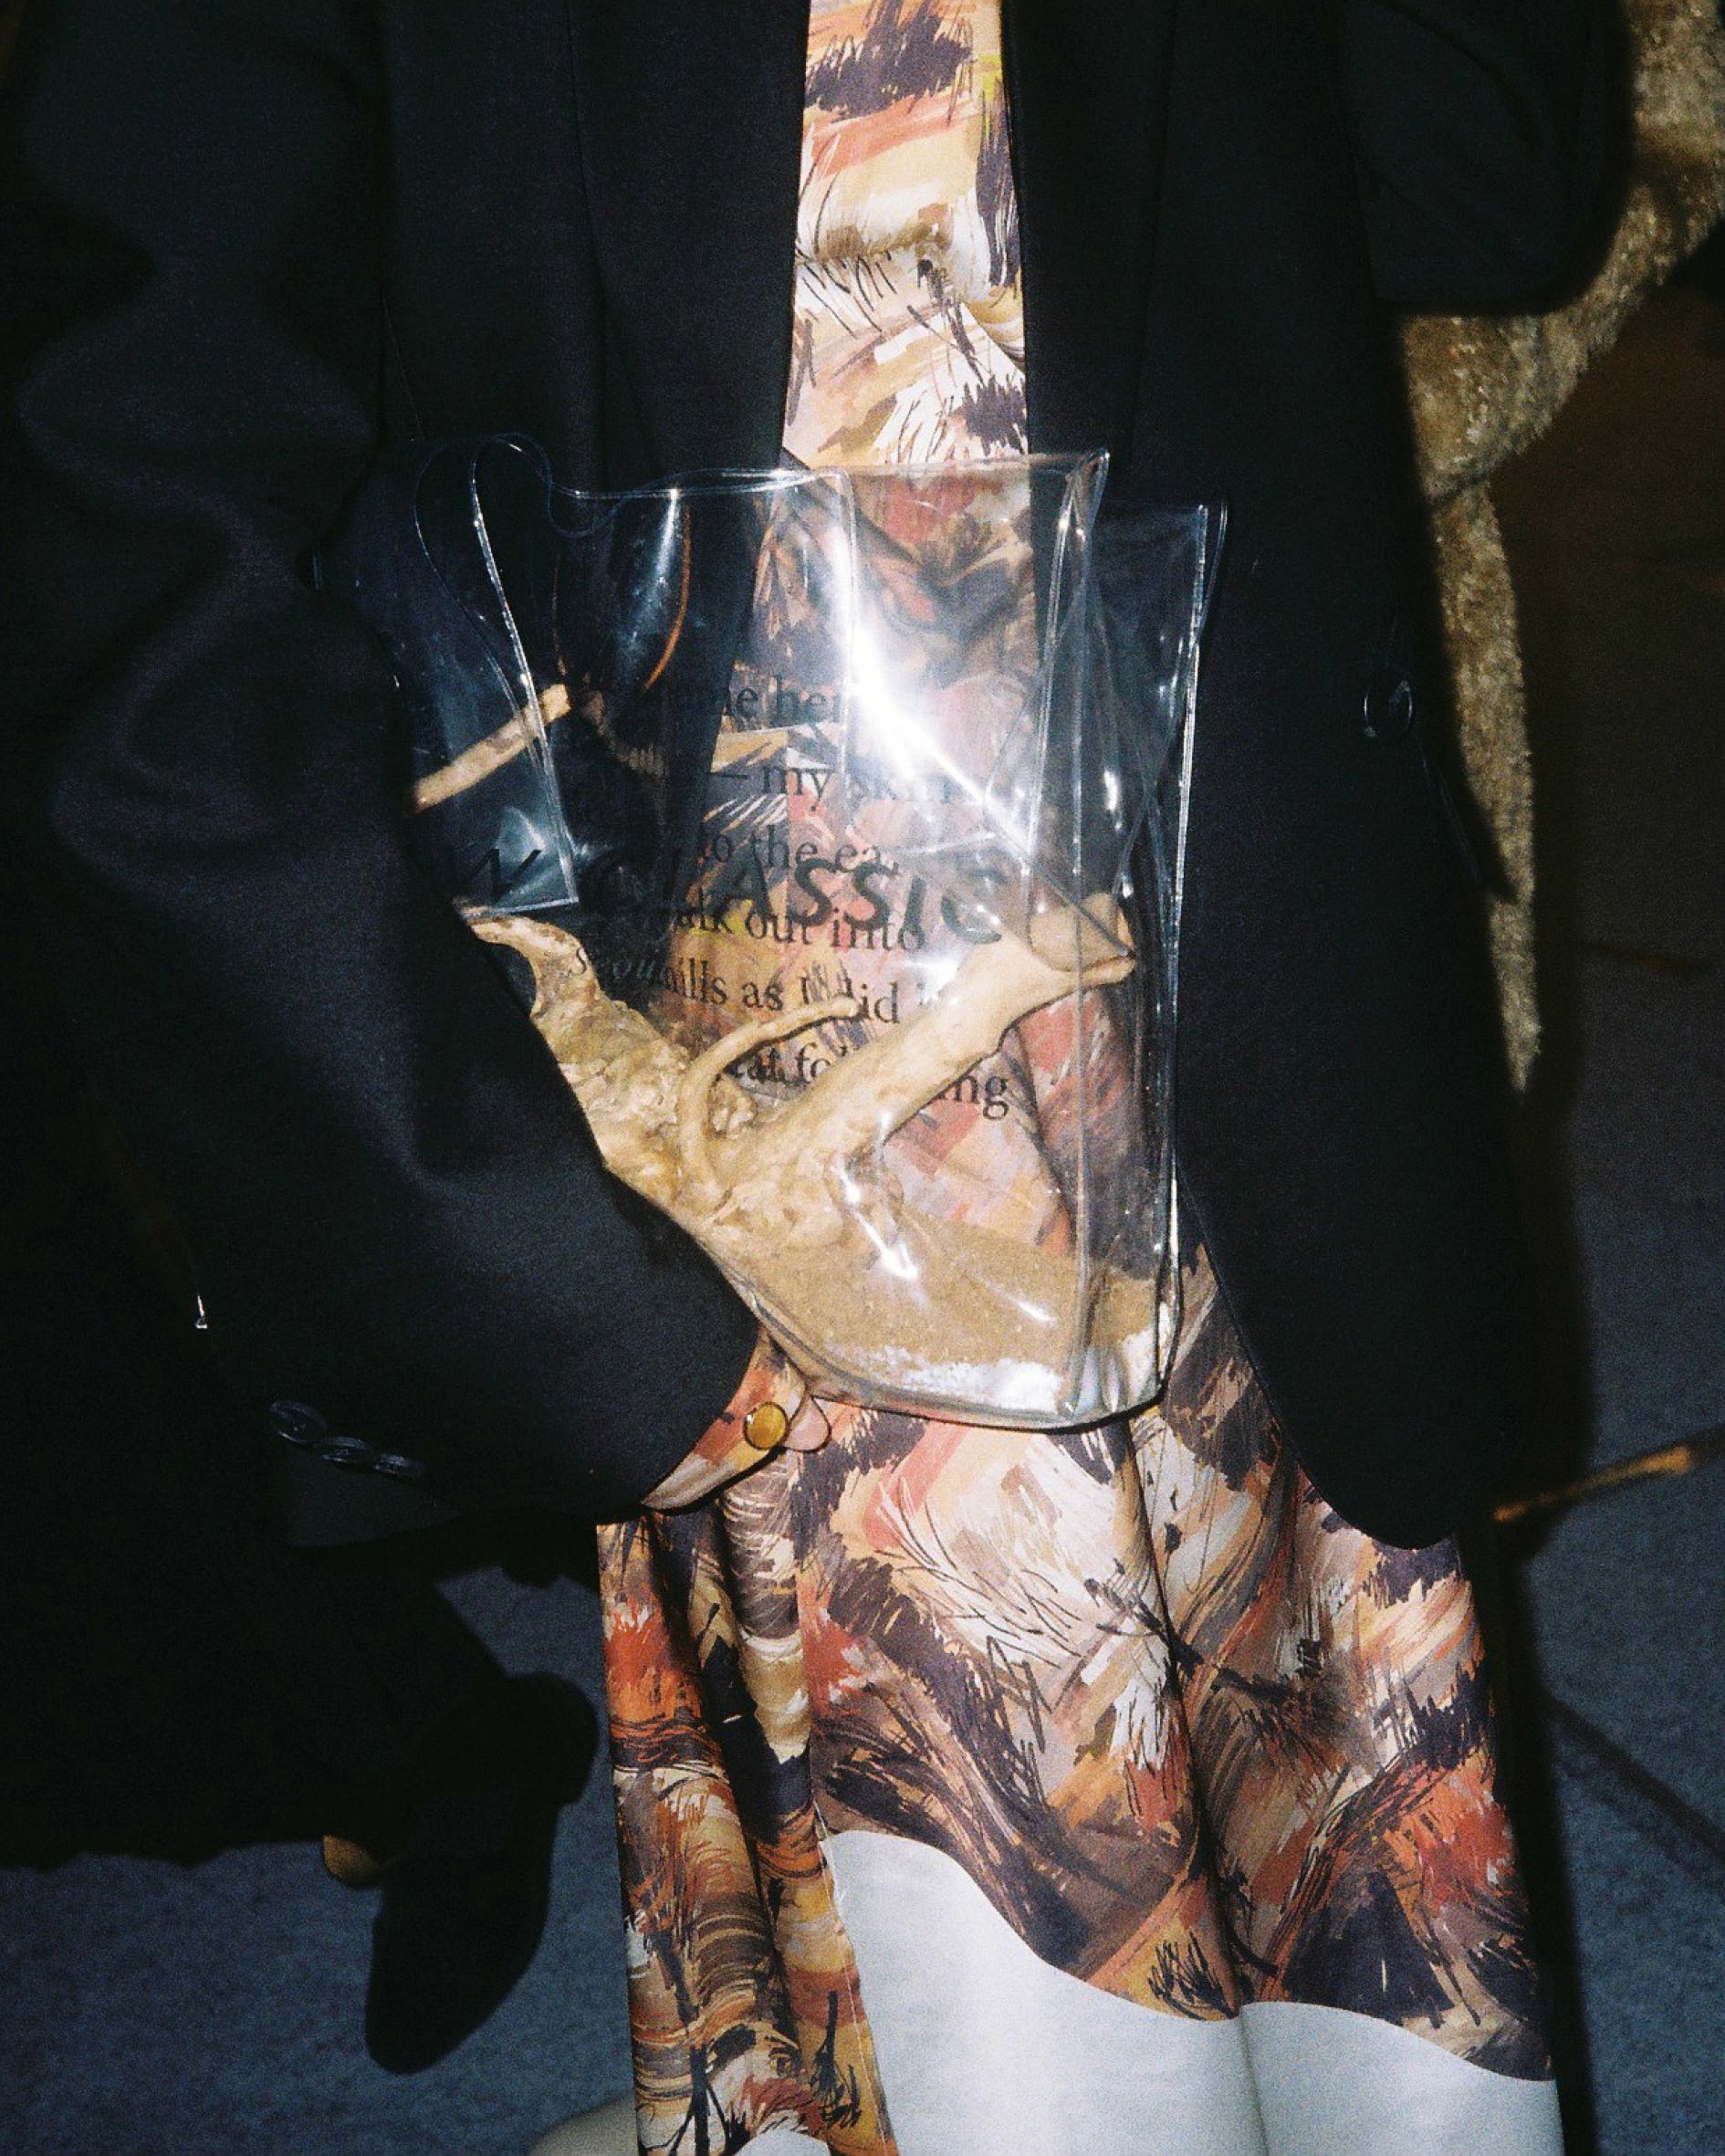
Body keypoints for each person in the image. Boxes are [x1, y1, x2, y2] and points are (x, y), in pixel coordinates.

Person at [0, 2, 1611, 2151]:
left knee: (1350, 1967)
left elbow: (1486, 178)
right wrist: (458, 1192)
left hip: (1249, 1021)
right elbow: (142, 488)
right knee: (1018, 2041)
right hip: (772, 1121)